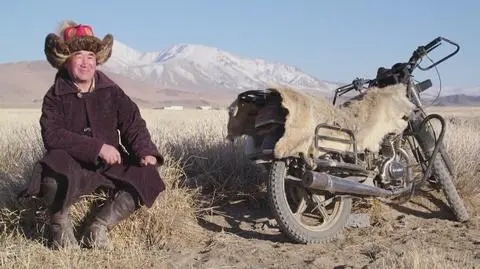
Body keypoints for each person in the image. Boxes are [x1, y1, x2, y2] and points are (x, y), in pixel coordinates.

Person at [19, 20, 166, 250]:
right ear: (66, 61)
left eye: (90, 55)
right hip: (72, 167)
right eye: (79, 55)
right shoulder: (54, 97)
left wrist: (145, 151)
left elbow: (132, 123)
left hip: (109, 167)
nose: (86, 62)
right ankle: (60, 227)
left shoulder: (111, 91)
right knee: (51, 173)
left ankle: (98, 227)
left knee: (149, 176)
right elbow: (53, 135)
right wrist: (97, 148)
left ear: (98, 59)